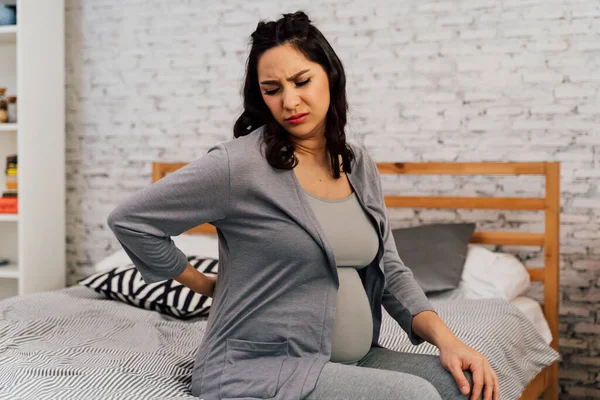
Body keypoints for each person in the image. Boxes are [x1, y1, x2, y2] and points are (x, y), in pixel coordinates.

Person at [107, 10, 499, 400]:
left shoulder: (358, 165)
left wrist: (448, 342)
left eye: (301, 81)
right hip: (259, 367)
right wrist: (204, 283)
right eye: (272, 89)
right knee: (414, 397)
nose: (290, 101)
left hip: (351, 362)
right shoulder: (238, 165)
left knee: (465, 387)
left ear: (329, 75)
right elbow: (131, 221)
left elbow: (390, 270)